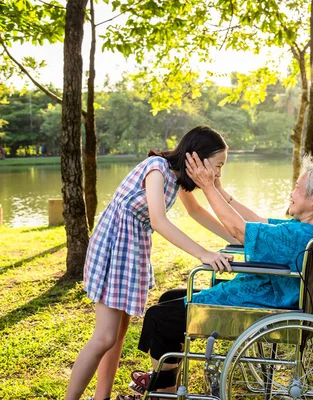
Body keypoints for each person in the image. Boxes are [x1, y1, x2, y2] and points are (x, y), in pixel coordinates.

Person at [126, 156, 313, 395]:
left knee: (159, 317)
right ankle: (164, 379)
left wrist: (207, 187)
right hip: (275, 295)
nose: (292, 192)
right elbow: (257, 221)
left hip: (263, 301)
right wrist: (219, 190)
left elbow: (240, 230)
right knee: (169, 298)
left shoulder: (294, 234)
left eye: (297, 188)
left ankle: (162, 390)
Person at [66, 126, 237, 400]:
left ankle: (102, 397)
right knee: (105, 337)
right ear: (196, 157)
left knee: (118, 334)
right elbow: (158, 220)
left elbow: (196, 212)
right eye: (217, 165)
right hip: (116, 243)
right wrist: (203, 254)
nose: (217, 174)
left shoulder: (178, 178)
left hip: (132, 247)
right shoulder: (157, 168)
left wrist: (237, 238)